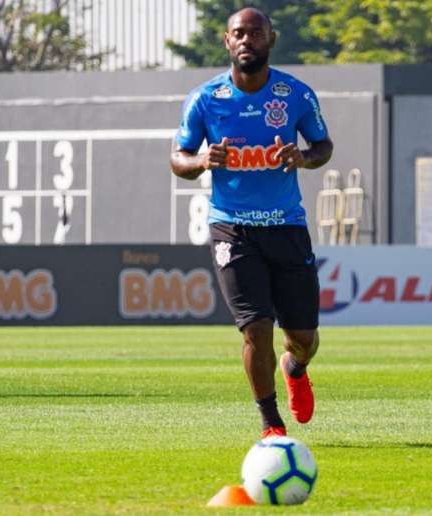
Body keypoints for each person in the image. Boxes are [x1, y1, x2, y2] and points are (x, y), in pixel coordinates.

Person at [169, 7, 333, 439]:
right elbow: (177, 158)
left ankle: (295, 367)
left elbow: (322, 145)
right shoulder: (205, 99)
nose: (246, 40)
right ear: (227, 41)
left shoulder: (295, 95)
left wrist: (303, 157)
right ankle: (271, 425)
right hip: (232, 228)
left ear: (270, 39)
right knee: (256, 328)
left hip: (287, 227)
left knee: (303, 337)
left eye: (255, 33)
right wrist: (201, 160)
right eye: (238, 33)